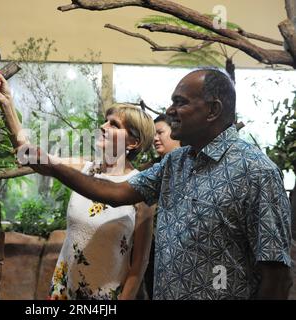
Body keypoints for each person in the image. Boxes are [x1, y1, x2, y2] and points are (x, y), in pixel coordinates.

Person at [17, 68, 293, 300]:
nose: (170, 110)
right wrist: (51, 167)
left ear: (212, 110)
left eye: (180, 102)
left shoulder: (256, 172)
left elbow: (277, 277)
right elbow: (115, 193)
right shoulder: (177, 163)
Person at [0, 72, 156, 300]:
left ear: (134, 142)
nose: (103, 126)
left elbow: (140, 264)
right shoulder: (82, 169)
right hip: (63, 292)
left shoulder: (140, 189)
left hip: (107, 298)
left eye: (114, 124)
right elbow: (28, 155)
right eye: (106, 120)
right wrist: (7, 103)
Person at [141, 113, 181, 299]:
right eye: (153, 135)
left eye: (160, 132)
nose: (155, 138)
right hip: (152, 249)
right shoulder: (149, 169)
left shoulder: (191, 164)